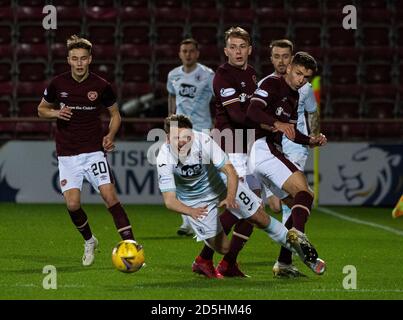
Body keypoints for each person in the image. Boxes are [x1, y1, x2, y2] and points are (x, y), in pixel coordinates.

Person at [157, 114, 321, 278]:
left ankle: (306, 254)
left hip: (222, 185)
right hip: (196, 201)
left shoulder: (204, 141)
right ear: (167, 139)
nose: (182, 141)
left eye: (186, 136)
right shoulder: (164, 158)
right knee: (224, 248)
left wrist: (230, 197)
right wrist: (191, 211)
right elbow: (169, 201)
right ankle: (205, 260)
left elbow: (230, 171)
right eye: (176, 137)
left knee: (260, 217)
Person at [37, 35, 136, 266]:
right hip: (67, 152)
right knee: (72, 204)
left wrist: (110, 137)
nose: (79, 63)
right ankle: (90, 240)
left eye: (83, 58)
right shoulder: (57, 84)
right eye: (75, 59)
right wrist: (56, 113)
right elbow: (41, 110)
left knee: (109, 196)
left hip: (93, 151)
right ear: (68, 60)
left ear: (90, 59)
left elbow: (115, 115)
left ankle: (131, 248)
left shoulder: (101, 85)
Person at [247, 51, 327, 276]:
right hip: (263, 148)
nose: (301, 79)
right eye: (298, 73)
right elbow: (252, 110)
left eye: (306, 77)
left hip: (265, 154)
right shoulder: (272, 83)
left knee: (297, 203)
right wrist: (276, 123)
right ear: (289, 67)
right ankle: (298, 235)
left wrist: (310, 140)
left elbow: (291, 131)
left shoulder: (294, 96)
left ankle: (283, 262)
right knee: (306, 193)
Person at [192, 26, 260, 277]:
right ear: (226, 50)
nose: (238, 51)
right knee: (242, 206)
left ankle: (226, 262)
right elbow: (237, 115)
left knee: (253, 208)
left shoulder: (252, 75)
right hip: (230, 148)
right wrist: (268, 121)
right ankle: (205, 258)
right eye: (233, 47)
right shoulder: (222, 75)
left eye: (242, 47)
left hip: (248, 148)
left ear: (250, 49)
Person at [266, 40, 320, 277]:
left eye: (285, 56)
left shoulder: (305, 87)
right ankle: (221, 258)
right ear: (272, 59)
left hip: (296, 148)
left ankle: (285, 261)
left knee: (296, 202)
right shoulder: (266, 86)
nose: (281, 61)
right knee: (272, 205)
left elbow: (312, 111)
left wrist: (313, 135)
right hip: (271, 149)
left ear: (291, 60)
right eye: (277, 56)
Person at [166, 38, 215, 236]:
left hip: (202, 129)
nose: (187, 54)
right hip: (179, 131)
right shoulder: (173, 75)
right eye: (184, 51)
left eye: (191, 51)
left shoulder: (207, 75)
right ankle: (187, 221)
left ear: (197, 53)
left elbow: (218, 99)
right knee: (180, 175)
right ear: (179, 53)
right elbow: (171, 97)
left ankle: (201, 218)